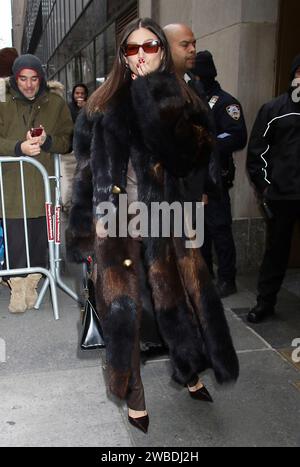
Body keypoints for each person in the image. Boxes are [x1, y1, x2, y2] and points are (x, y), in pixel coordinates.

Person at [66, 17, 239, 434]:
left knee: (176, 308)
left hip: (169, 223)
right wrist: (84, 229)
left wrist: (152, 94)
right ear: (122, 56)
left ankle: (189, 370)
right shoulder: (100, 105)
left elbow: (188, 159)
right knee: (126, 315)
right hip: (118, 226)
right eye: (132, 49)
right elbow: (85, 171)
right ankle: (134, 395)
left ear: (162, 50)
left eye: (149, 47)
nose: (141, 55)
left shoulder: (186, 99)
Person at [0, 54, 73, 313]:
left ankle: (34, 282)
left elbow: (68, 139)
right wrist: (18, 147)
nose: (29, 85)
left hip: (45, 186)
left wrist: (49, 142)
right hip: (11, 187)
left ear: (41, 79)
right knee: (16, 241)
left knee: (43, 240)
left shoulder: (55, 102)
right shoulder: (2, 100)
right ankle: (17, 288)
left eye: (34, 79)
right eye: (23, 79)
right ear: (15, 78)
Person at [246, 54, 300, 323]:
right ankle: (265, 302)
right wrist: (265, 186)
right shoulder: (275, 109)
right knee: (276, 252)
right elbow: (257, 150)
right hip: (282, 195)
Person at [192, 51, 248, 298]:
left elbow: (237, 135)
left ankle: (227, 279)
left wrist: (208, 142)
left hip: (215, 180)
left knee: (220, 229)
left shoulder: (226, 103)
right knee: (200, 231)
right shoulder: (191, 99)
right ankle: (206, 276)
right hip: (194, 179)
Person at [60, 83, 89, 213]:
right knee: (67, 180)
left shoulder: (90, 107)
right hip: (69, 151)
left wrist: (85, 109)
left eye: (82, 94)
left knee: (81, 179)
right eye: (77, 93)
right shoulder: (67, 108)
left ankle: (78, 206)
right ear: (73, 94)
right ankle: (67, 205)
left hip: (84, 151)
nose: (79, 96)